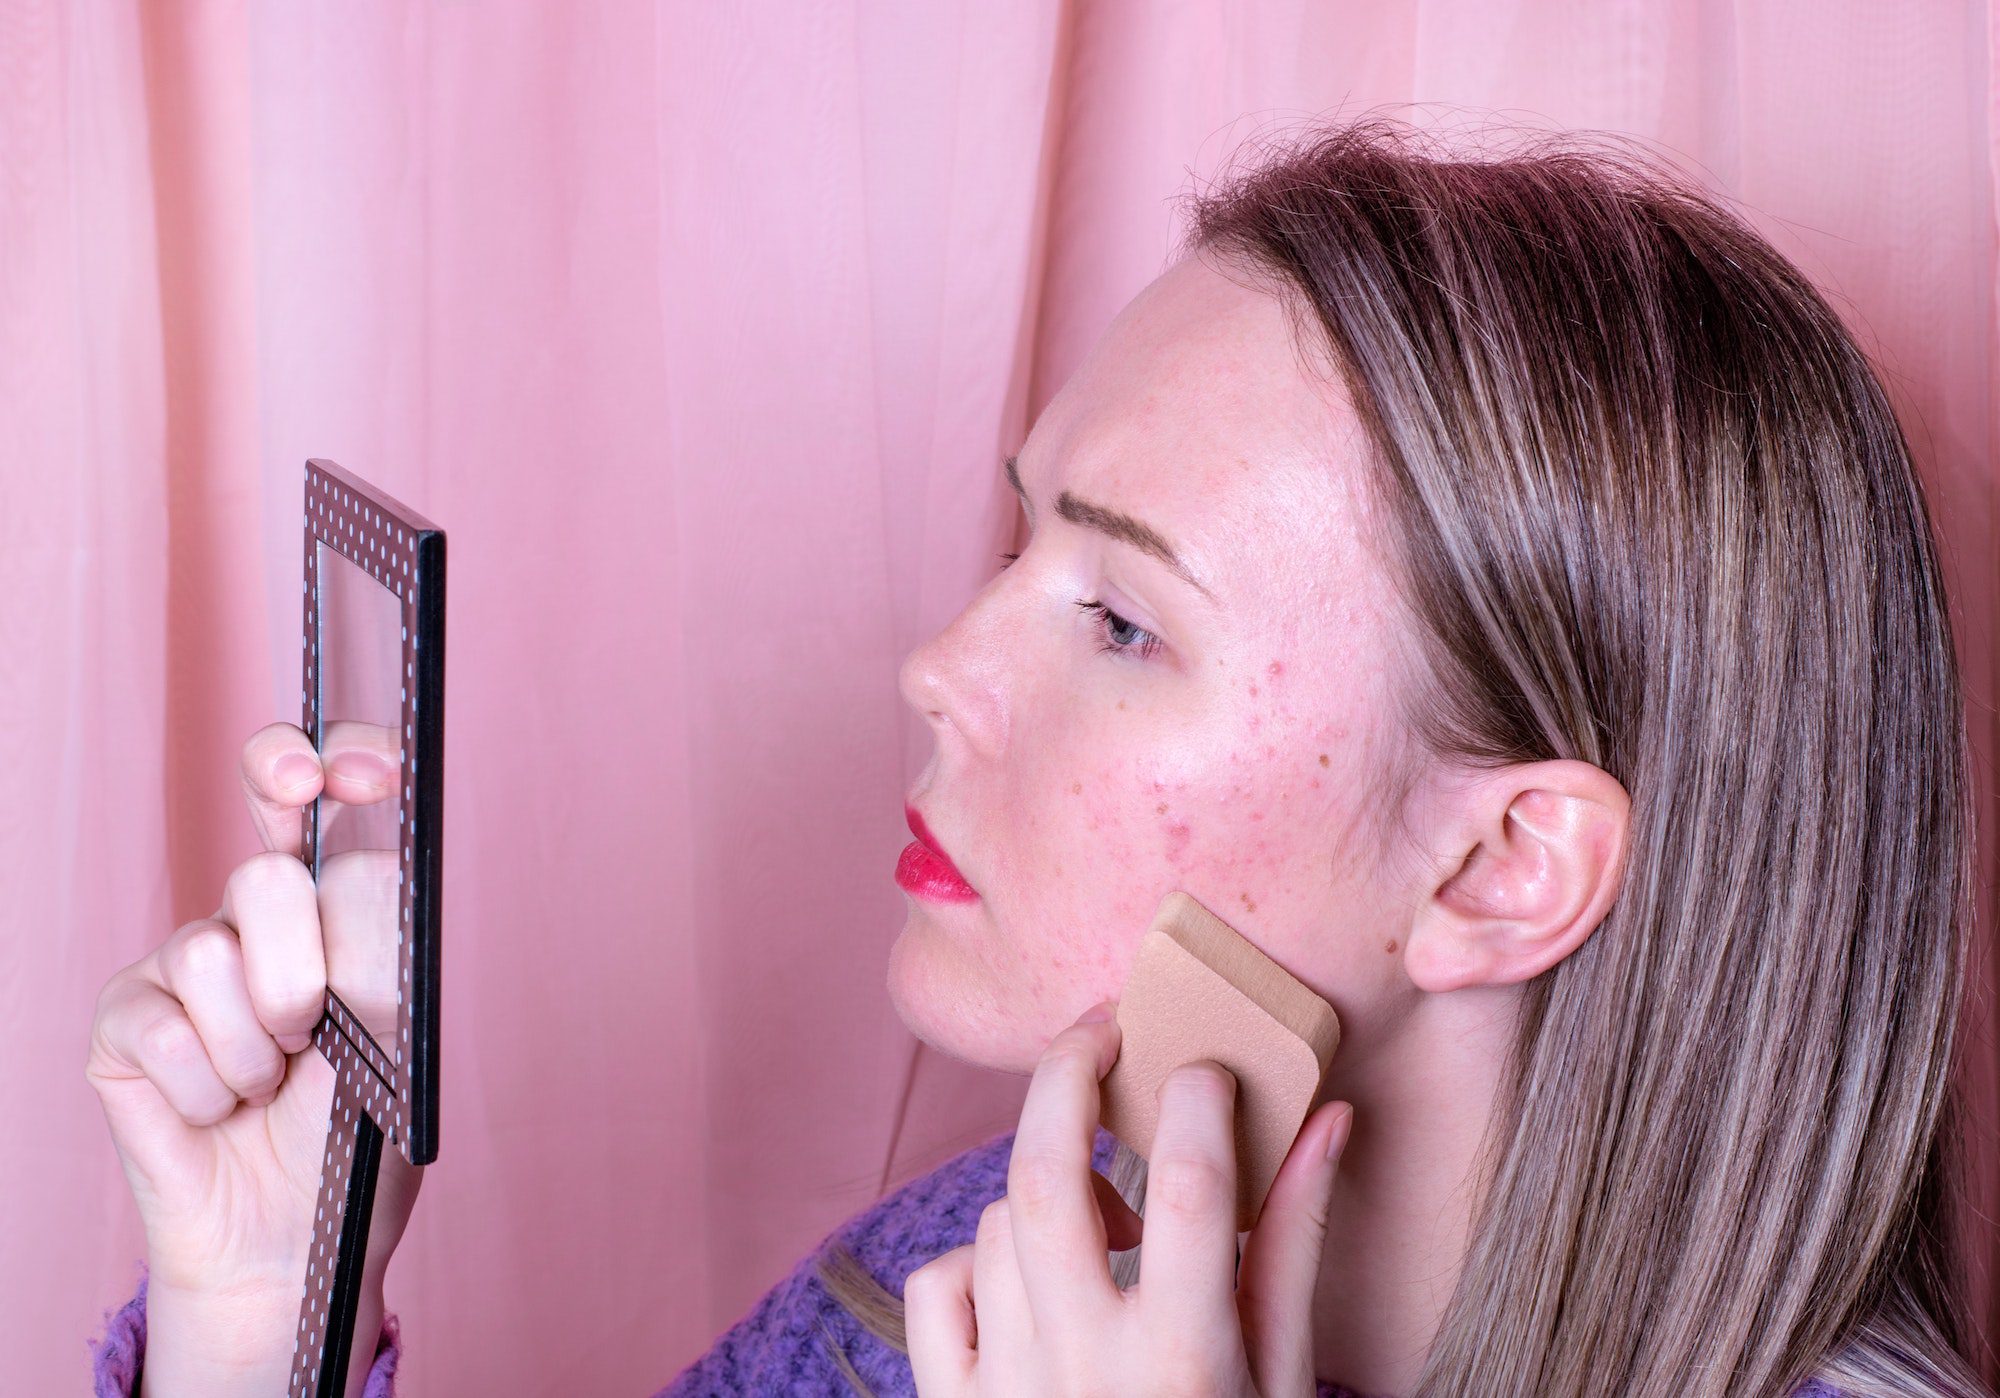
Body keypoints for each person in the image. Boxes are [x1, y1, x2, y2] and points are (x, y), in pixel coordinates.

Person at [86, 116, 1993, 1397]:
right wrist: (255, 1321)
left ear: (1501, 866)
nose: (938, 665)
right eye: (1026, 546)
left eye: (1120, 622)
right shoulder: (964, 1277)